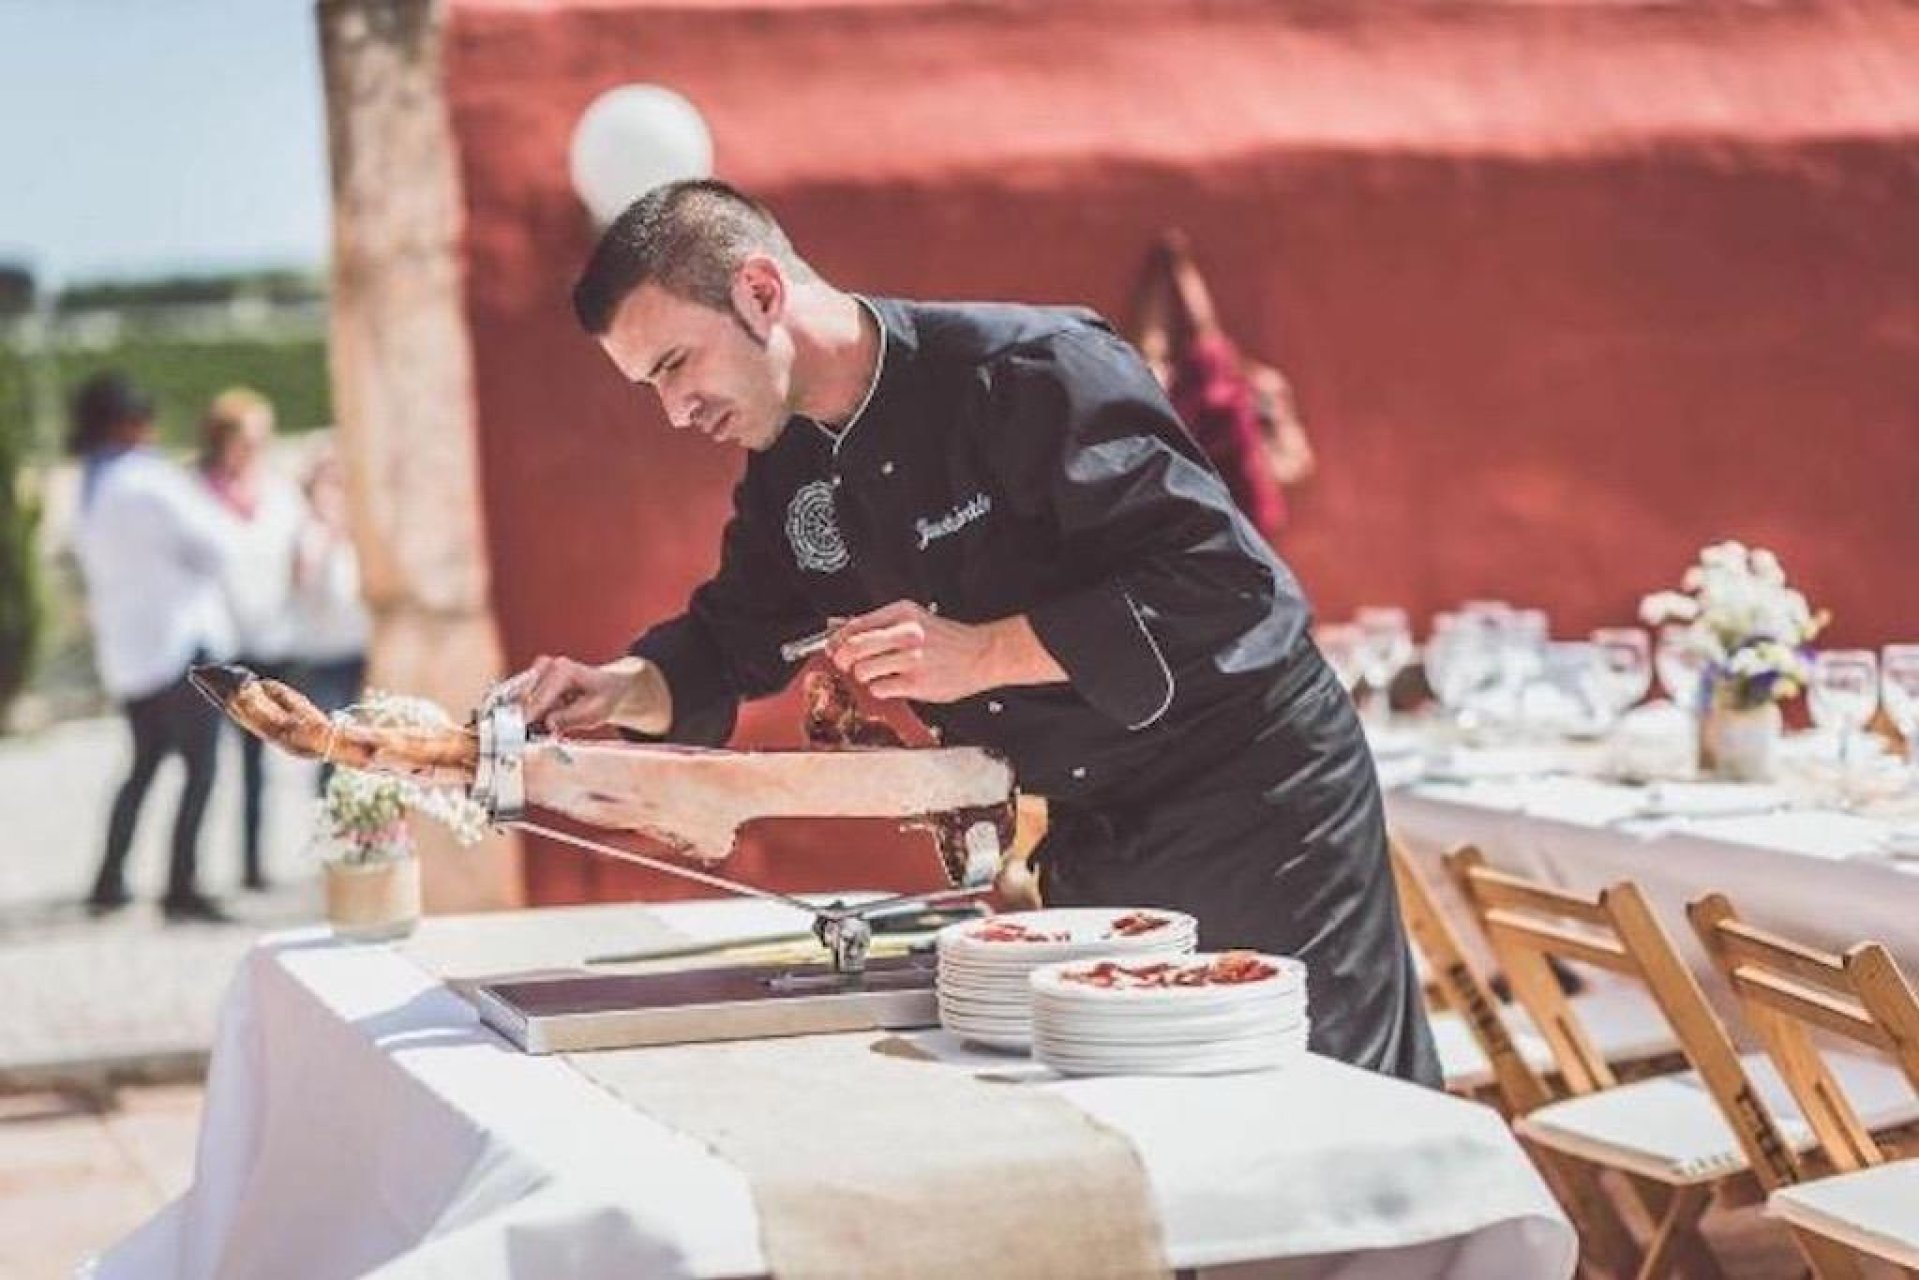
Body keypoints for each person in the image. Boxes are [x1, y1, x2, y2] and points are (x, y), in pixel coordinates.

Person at [511, 181, 1438, 1085]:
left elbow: (1223, 584)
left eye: (676, 365)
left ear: (759, 292)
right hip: (1090, 836)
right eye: (651, 386)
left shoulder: (1030, 369)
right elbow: (728, 643)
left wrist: (983, 652)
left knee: (1330, 1106)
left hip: (1258, 805)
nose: (675, 410)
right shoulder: (788, 470)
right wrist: (615, 688)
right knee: (1155, 1120)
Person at [69, 373, 234, 923]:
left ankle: (109, 879)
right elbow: (215, 545)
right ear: (129, 424)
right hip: (180, 646)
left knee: (141, 767)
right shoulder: (150, 480)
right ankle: (181, 885)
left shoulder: (90, 485)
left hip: (130, 653)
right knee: (201, 770)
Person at [1129, 230, 1315, 544]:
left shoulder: (1228, 407)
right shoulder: (1228, 408)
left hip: (1206, 483)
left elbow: (1198, 333)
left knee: (1151, 368)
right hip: (1209, 491)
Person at [197, 388, 303, 891]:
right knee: (206, 762)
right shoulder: (198, 494)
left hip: (271, 638)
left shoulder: (280, 493)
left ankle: (254, 863)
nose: (254, 448)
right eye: (246, 438)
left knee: (262, 760)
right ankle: (193, 871)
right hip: (220, 645)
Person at [286, 441, 370, 790]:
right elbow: (302, 581)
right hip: (325, 660)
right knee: (332, 749)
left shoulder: (356, 531)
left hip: (361, 653)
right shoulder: (307, 532)